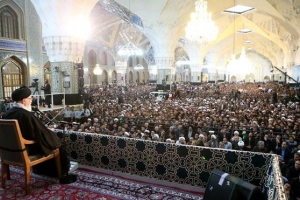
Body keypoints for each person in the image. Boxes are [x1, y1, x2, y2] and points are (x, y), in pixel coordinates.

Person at [1, 86, 76, 184]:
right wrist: (52, 135)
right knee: (58, 144)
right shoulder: (26, 115)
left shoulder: (6, 114)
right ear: (24, 101)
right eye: (30, 98)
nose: (32, 100)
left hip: (9, 151)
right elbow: (39, 134)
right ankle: (61, 174)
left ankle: (43, 171)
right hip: (27, 150)